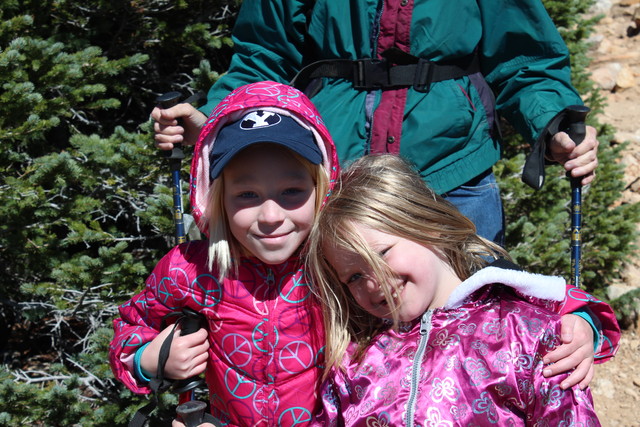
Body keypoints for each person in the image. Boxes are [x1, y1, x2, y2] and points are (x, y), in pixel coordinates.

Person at [151, 0, 599, 245]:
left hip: (453, 170)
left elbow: (525, 60)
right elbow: (264, 57)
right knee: (342, 336)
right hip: (335, 172)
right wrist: (213, 122)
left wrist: (553, 120)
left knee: (470, 326)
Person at [305, 154, 616, 426]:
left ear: (428, 225)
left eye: (382, 254)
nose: (373, 283)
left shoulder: (524, 334)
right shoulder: (355, 359)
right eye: (354, 277)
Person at [109, 81, 340, 426]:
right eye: (247, 195)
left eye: (292, 191)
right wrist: (148, 359)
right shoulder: (189, 269)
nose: (271, 216)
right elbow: (131, 327)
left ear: (322, 188)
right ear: (216, 198)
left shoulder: (339, 262)